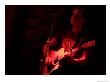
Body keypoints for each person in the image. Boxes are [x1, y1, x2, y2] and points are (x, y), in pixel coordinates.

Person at [41, 7, 95, 75]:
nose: (73, 17)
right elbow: (46, 45)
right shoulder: (64, 33)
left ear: (83, 20)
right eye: (73, 14)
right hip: (55, 69)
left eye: (77, 16)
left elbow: (84, 59)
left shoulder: (85, 39)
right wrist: (47, 57)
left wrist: (73, 60)